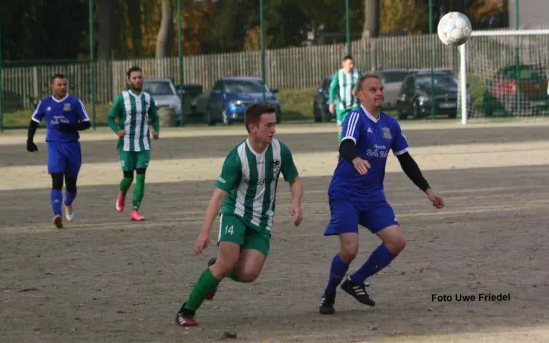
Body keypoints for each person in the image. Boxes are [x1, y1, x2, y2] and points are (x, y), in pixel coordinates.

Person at [319, 73, 445, 314]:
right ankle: (329, 293)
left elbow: (406, 160)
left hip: (373, 195)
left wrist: (428, 190)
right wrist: (355, 158)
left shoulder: (390, 124)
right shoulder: (355, 117)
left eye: (380, 89)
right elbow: (345, 144)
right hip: (345, 192)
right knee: (350, 250)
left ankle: (356, 281)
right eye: (372, 89)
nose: (378, 93)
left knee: (397, 242)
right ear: (359, 94)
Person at [175, 103, 304, 327]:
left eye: (275, 124)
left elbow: (294, 180)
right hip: (236, 213)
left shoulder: (280, 151)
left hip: (262, 221)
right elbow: (217, 197)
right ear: (252, 128)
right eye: (269, 125)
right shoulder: (237, 157)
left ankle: (214, 269)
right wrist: (204, 233)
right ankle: (186, 310)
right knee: (227, 263)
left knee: (248, 273)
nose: (274, 130)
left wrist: (296, 202)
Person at [26, 74, 91, 229]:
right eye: (59, 84)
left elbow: (87, 123)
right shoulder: (45, 103)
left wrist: (71, 126)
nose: (62, 87)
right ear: (52, 86)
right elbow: (34, 122)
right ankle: (57, 215)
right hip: (54, 145)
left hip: (72, 146)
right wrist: (29, 141)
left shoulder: (75, 102)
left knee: (71, 185)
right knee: (56, 180)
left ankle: (67, 203)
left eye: (65, 84)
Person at [106, 66, 160, 222]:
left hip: (143, 145)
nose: (138, 80)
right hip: (126, 145)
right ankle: (122, 193)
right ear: (128, 81)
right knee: (128, 178)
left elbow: (155, 117)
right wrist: (117, 130)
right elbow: (110, 118)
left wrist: (155, 131)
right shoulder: (122, 98)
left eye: (140, 77)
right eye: (134, 78)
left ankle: (135, 210)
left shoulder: (148, 98)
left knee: (141, 177)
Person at [328, 55, 362, 145]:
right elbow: (332, 89)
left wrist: (359, 92)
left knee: (356, 127)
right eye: (349, 63)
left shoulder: (358, 74)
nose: (351, 65)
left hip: (354, 106)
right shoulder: (338, 74)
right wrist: (331, 103)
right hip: (341, 107)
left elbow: (365, 87)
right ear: (344, 64)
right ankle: (342, 149)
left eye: (352, 63)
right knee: (342, 128)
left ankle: (356, 148)